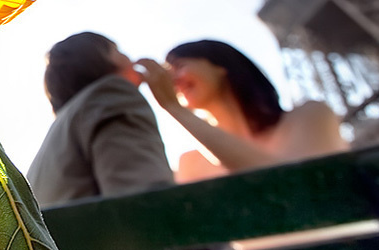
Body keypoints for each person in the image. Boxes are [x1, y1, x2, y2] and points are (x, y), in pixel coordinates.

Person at [138, 39, 348, 182]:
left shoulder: (310, 116)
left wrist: (175, 109)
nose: (172, 80)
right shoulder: (190, 163)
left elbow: (294, 188)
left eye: (179, 66)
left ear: (220, 65)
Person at [27, 32, 174, 207]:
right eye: (117, 50)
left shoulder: (61, 129)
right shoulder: (111, 94)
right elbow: (144, 202)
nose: (129, 58)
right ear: (99, 57)